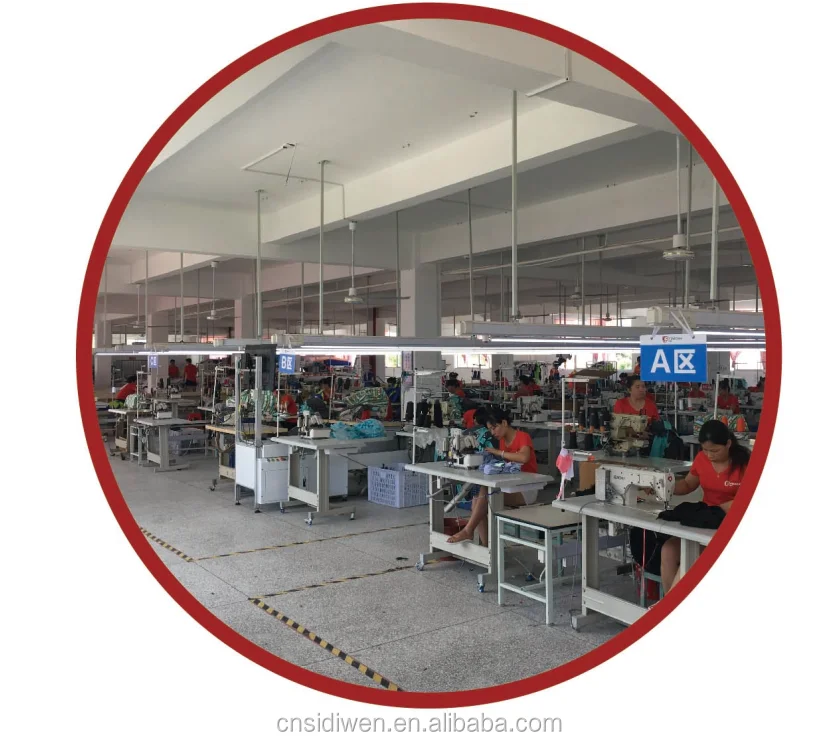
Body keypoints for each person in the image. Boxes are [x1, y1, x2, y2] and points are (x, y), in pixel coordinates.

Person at [659, 420, 750, 593]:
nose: (709, 455)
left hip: (731, 525)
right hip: (706, 522)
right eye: (705, 450)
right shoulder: (702, 459)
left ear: (728, 444)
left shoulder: (745, 463)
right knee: (668, 550)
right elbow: (688, 484)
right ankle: (668, 599)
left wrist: (717, 511)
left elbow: (747, 500)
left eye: (714, 451)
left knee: (690, 558)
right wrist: (665, 486)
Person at [446, 407, 498, 546]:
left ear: (474, 420)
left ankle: (482, 542)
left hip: (477, 478)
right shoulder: (491, 435)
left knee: (478, 500)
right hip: (484, 476)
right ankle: (485, 545)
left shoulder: (466, 433)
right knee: (479, 498)